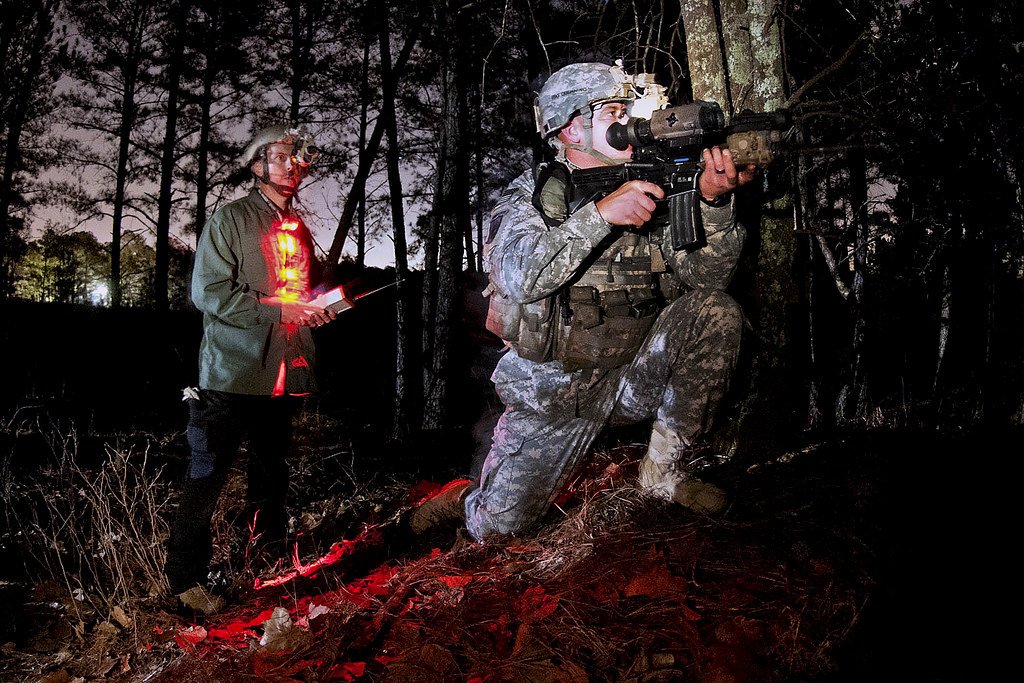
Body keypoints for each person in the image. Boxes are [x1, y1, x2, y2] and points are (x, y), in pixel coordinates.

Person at [411, 62, 754, 540]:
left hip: (633, 375)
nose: (631, 123)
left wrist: (714, 204)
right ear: (570, 127)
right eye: (614, 112)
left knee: (716, 312)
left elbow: (707, 277)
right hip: (555, 393)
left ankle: (664, 474)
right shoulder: (531, 197)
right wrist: (601, 216)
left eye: (630, 110)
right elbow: (521, 273)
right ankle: (469, 499)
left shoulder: (655, 182)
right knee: (498, 531)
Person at [165, 125, 336, 597]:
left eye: (296, 159)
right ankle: (185, 584)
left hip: (280, 374)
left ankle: (268, 560)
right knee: (207, 478)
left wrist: (311, 311)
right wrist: (281, 309)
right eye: (280, 157)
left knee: (271, 473)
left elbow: (293, 295)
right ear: (257, 164)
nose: (291, 166)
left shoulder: (295, 228)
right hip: (231, 374)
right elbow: (210, 293)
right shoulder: (230, 220)